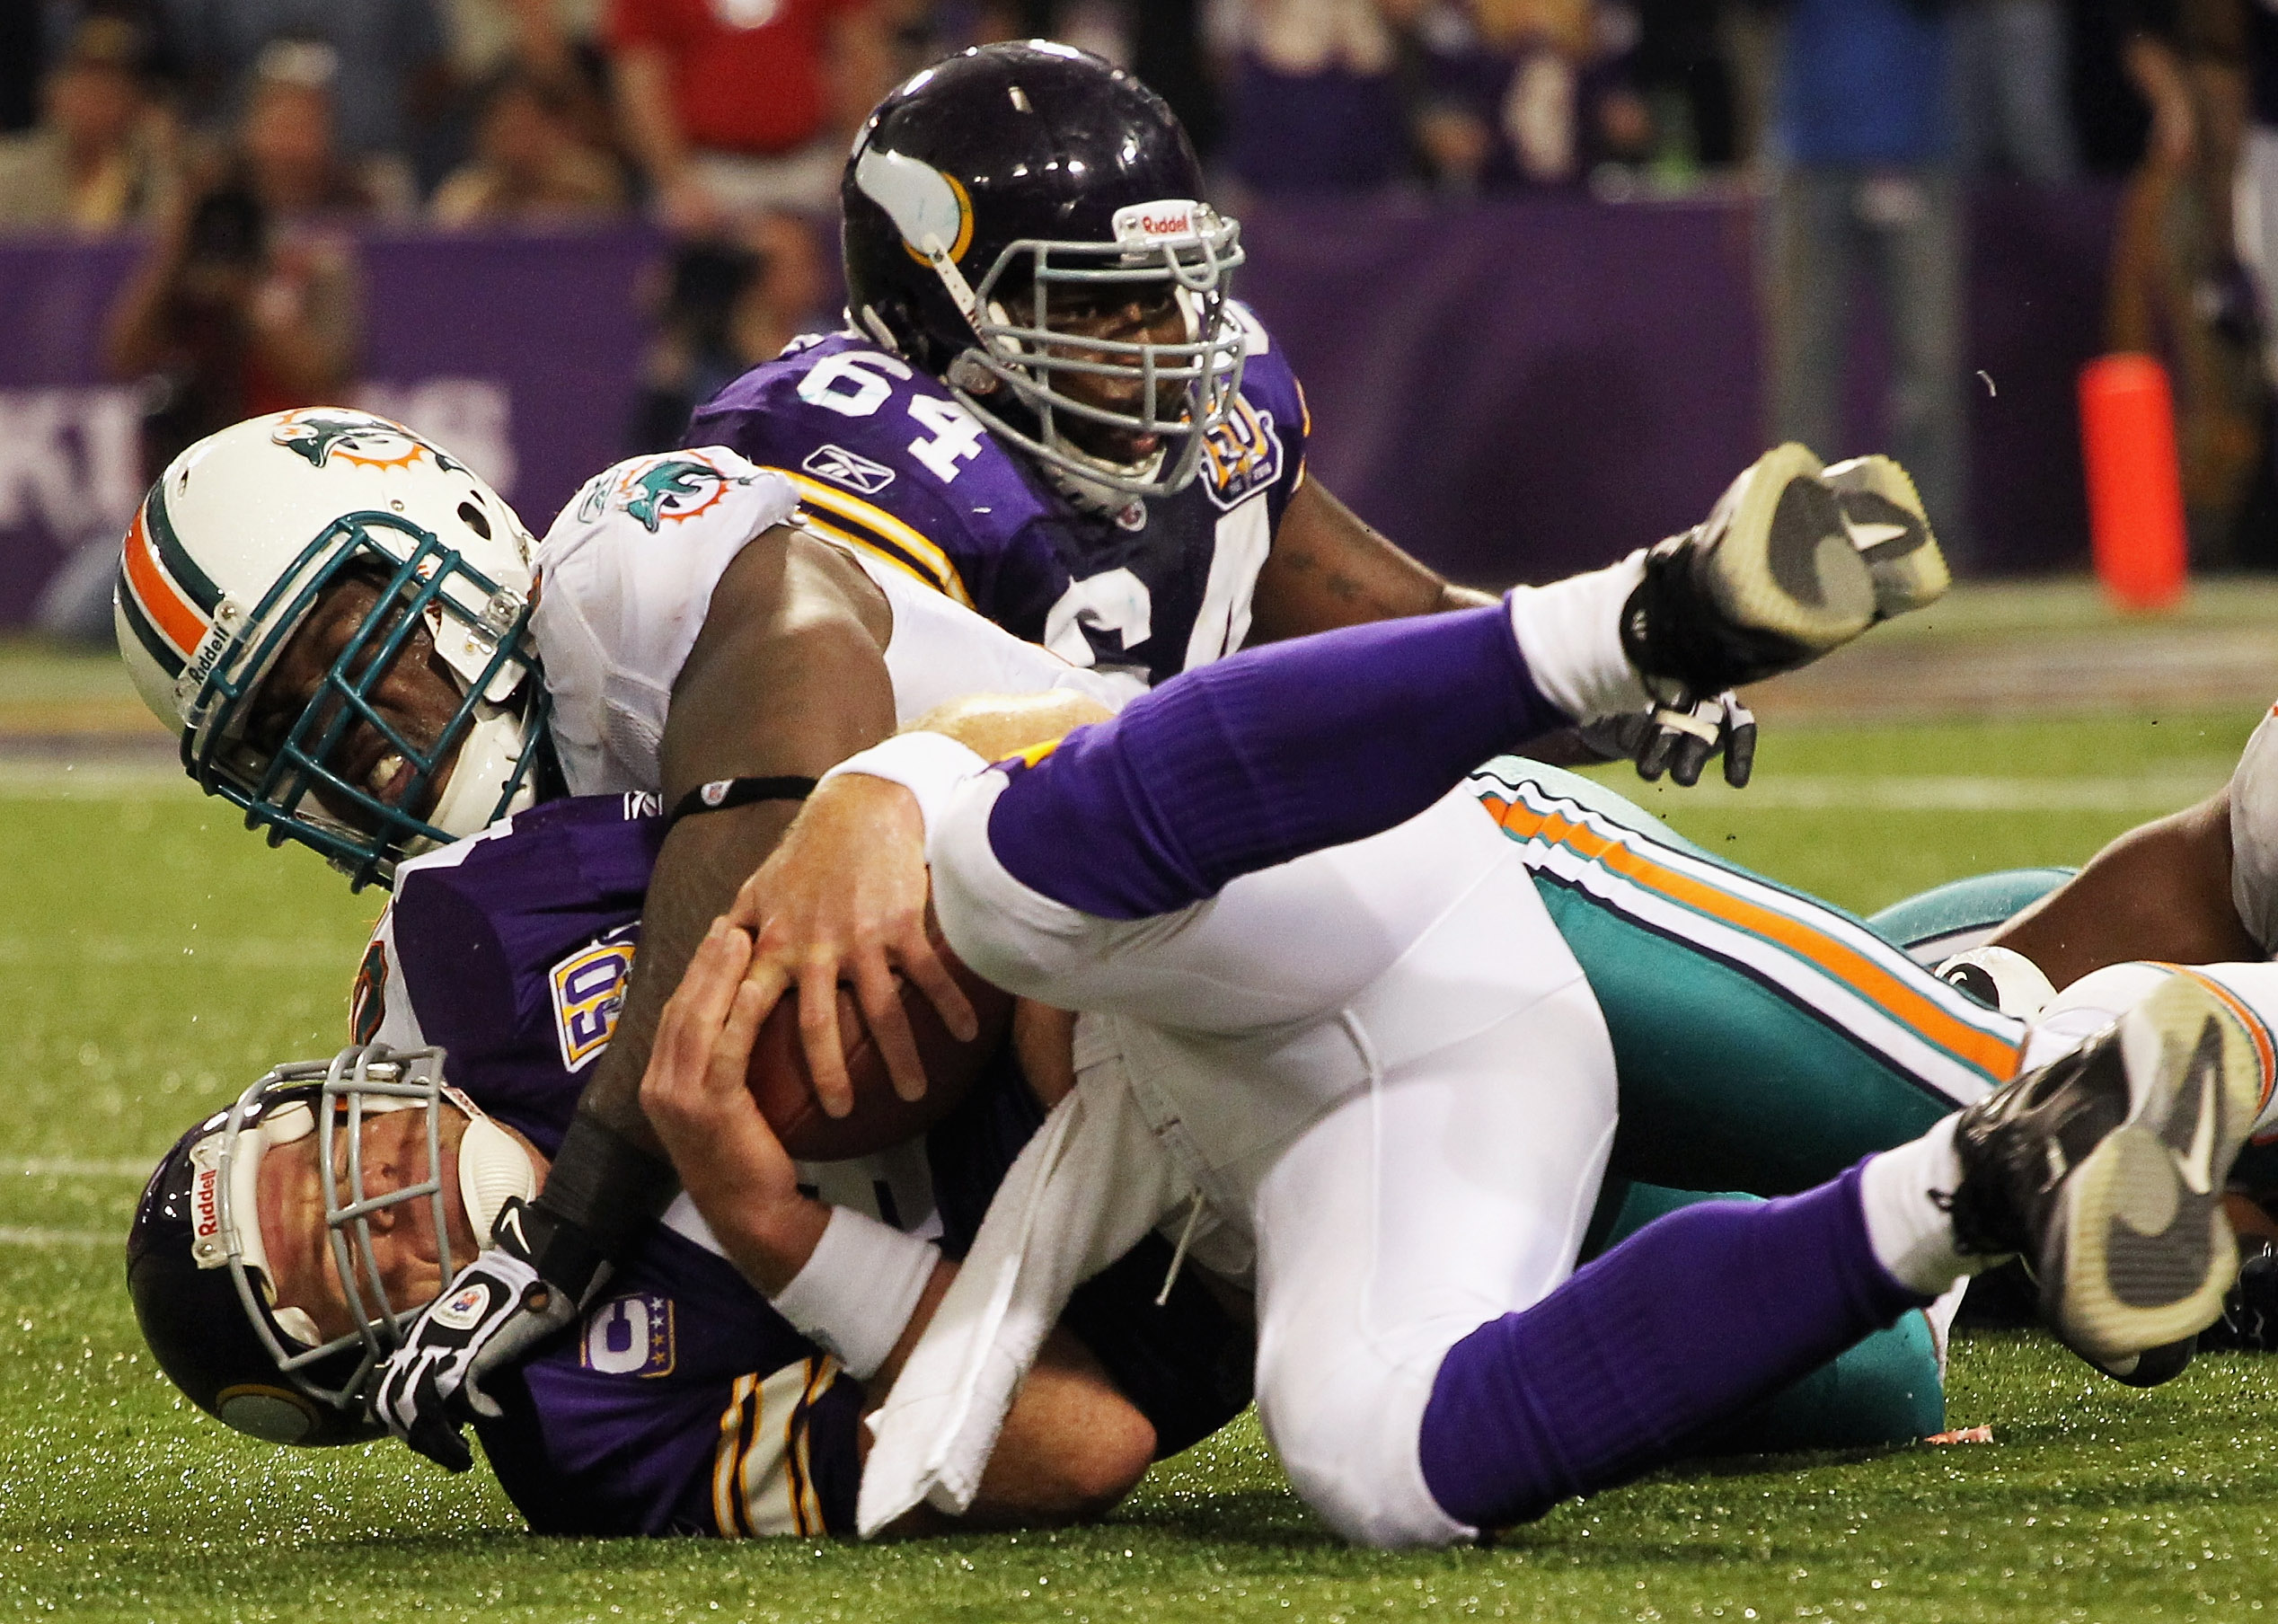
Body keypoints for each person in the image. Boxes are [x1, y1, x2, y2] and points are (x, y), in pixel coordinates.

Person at [115, 400, 1965, 1471]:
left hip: (1286, 884)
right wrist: (739, 1221)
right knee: (1881, 1354)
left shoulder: (630, 565)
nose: (364, 731)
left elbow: (784, 695)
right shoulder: (451, 983)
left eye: (362, 649)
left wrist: (596, 1183)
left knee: (979, 867)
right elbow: (1046, 1436)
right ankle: (2014, 1086)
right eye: (292, 734)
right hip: (1215, 1176)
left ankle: (1619, 632)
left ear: (444, 525)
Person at [637, 589, 2274, 1546]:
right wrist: (778, 1230)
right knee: (1377, 1463)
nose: (385, 1208)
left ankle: (1615, 624)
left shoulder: (556, 908)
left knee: (1000, 881)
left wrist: (884, 785)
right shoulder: (575, 1388)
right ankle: (1978, 1183)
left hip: (1354, 915)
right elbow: (1080, 1447)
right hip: (1318, 1154)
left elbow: (869, 621)